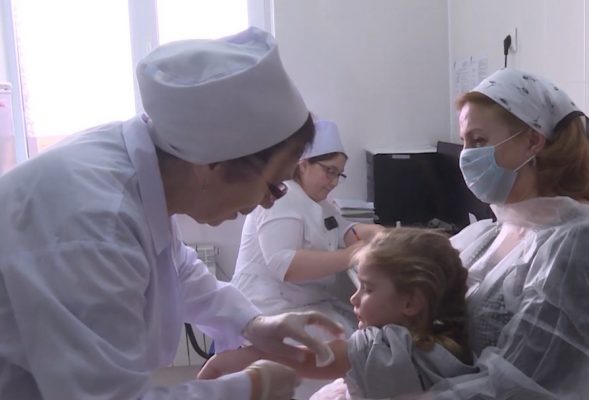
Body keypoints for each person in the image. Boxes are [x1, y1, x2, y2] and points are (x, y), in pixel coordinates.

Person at [0, 27, 345, 400]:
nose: (268, 203)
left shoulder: (144, 171)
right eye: (273, 185)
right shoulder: (94, 226)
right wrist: (250, 387)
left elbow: (177, 270)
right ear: (213, 164)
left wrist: (254, 323)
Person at [431, 68, 589, 399]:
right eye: (464, 142)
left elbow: (531, 387)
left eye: (478, 141)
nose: (466, 156)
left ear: (533, 141)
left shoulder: (585, 245)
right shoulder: (490, 234)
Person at [199, 227, 477, 399]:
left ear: (410, 303)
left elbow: (304, 358)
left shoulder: (380, 349)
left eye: (367, 288)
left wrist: (224, 361)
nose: (354, 297)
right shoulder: (454, 347)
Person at [232, 120, 383, 337]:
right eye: (329, 171)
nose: (334, 182)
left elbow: (345, 231)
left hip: (302, 303)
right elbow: (285, 265)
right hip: (268, 309)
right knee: (355, 344)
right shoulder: (283, 197)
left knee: (361, 334)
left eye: (339, 174)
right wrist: (351, 255)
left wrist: (377, 233)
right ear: (303, 165)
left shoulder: (318, 202)